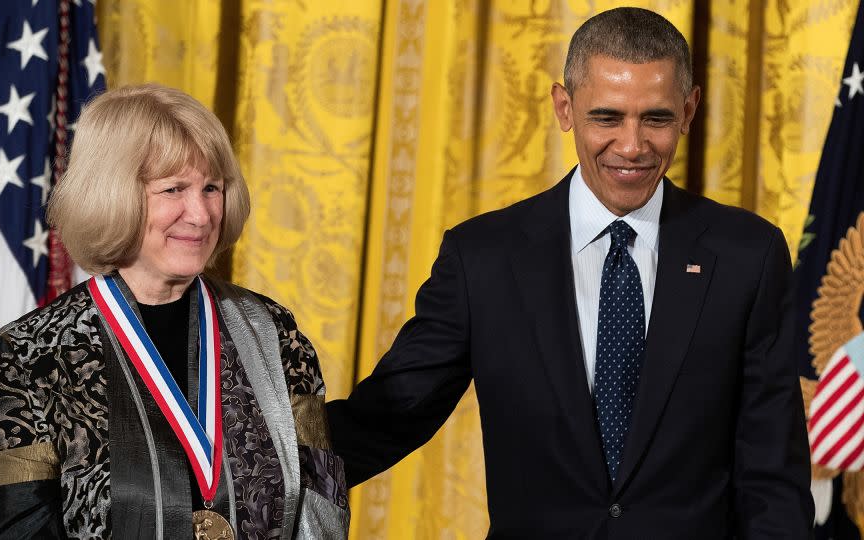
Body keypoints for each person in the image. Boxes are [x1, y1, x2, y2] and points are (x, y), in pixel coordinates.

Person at [326, 7, 813, 538]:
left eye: (656, 118)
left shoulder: (748, 255)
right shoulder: (482, 258)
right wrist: (246, 465)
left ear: (689, 110)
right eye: (607, 117)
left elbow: (773, 478)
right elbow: (386, 419)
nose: (632, 146)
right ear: (565, 106)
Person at [0, 83, 348, 539]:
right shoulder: (26, 357)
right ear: (114, 195)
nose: (202, 214)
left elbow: (321, 507)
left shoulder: (274, 332)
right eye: (174, 189)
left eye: (212, 187)